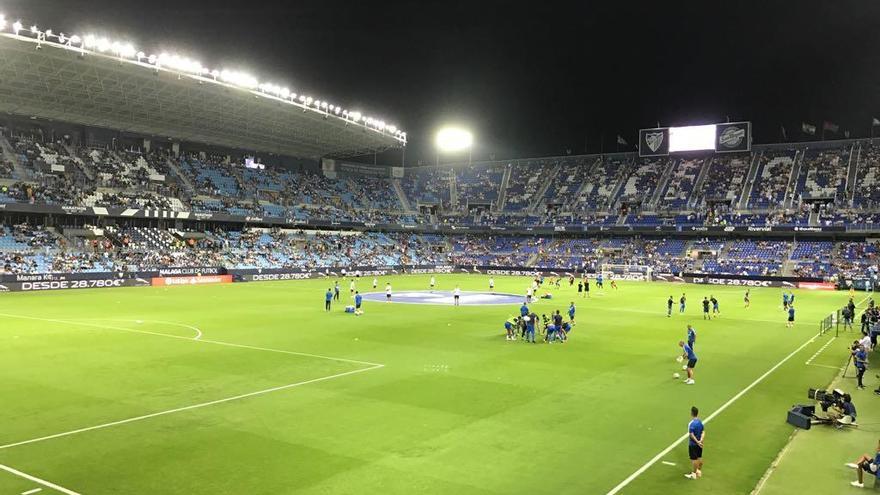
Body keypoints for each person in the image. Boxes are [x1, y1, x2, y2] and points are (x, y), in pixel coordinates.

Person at [685, 406, 705, 480]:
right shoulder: (700, 422)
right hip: (700, 443)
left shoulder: (691, 424)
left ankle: (694, 474)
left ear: (691, 413)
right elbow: (703, 431)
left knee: (694, 459)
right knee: (699, 457)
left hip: (693, 444)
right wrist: (701, 441)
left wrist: (697, 442)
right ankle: (699, 471)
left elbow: (691, 434)